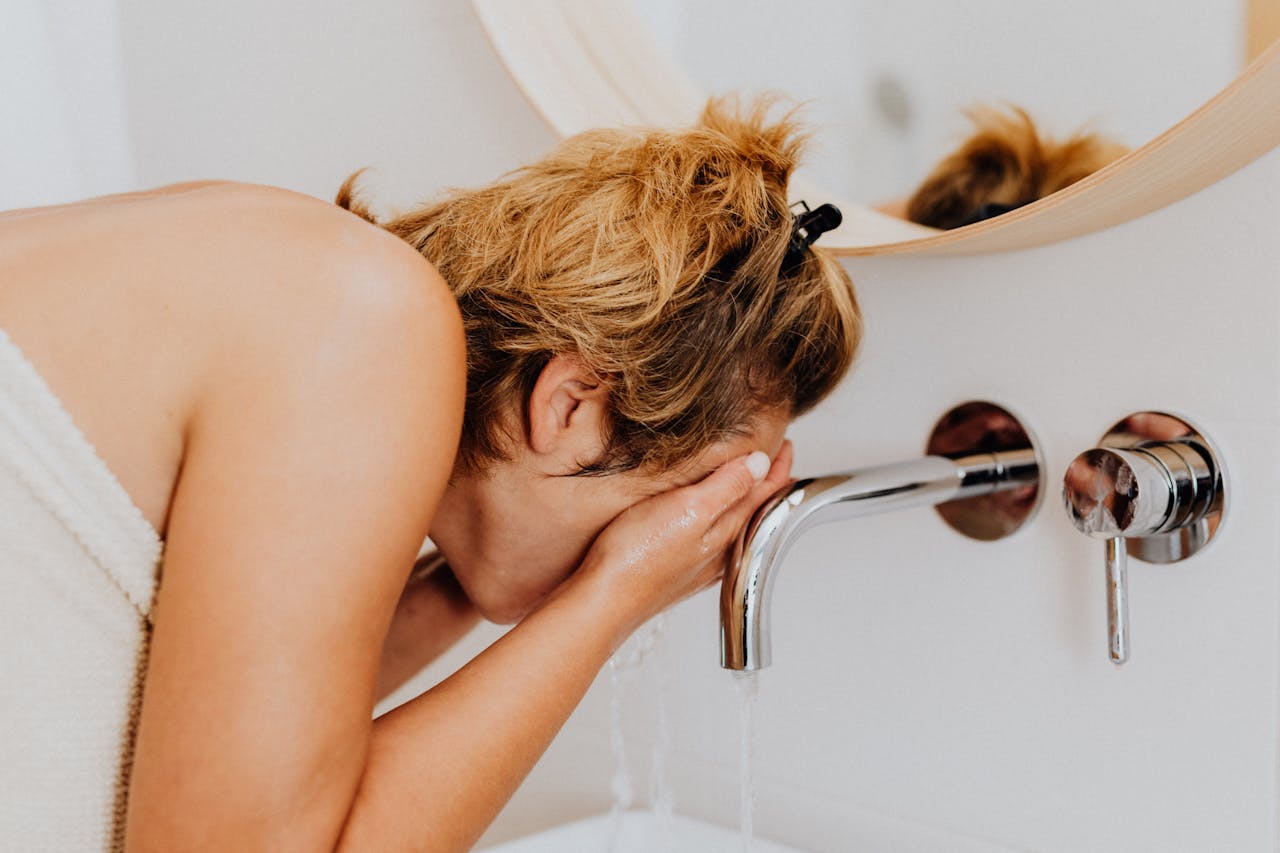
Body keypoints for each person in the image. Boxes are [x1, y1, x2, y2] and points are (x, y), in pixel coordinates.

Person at [0, 97, 860, 851]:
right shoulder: (362, 323)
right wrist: (613, 590)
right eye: (702, 486)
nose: (703, 530)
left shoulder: (316, 292)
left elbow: (226, 747)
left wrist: (475, 586)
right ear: (571, 407)